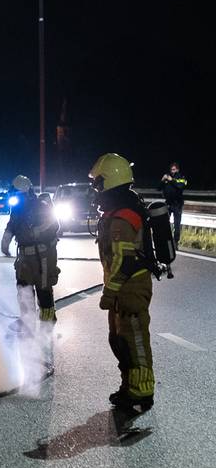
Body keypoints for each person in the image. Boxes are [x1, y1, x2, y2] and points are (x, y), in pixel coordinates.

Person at [90, 153, 154, 412]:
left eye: (98, 184)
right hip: (121, 289)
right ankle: (129, 386)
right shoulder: (115, 213)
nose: (95, 190)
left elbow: (123, 260)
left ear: (110, 182)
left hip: (131, 289)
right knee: (118, 340)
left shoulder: (122, 218)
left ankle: (142, 391)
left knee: (134, 340)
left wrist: (109, 292)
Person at [0, 175, 60, 373]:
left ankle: (46, 332)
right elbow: (12, 225)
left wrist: (36, 231)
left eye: (16, 193)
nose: (13, 197)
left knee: (44, 295)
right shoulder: (17, 210)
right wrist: (6, 239)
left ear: (25, 192)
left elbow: (54, 224)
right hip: (25, 259)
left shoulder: (40, 206)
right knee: (24, 293)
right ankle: (27, 328)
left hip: (41, 258)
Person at [160, 162, 187, 245]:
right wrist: (162, 180)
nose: (172, 171)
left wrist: (172, 180)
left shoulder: (182, 177)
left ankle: (175, 242)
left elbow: (181, 186)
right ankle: (165, 240)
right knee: (165, 223)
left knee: (176, 224)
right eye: (171, 169)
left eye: (174, 169)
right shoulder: (167, 178)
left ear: (177, 170)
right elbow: (158, 188)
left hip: (177, 204)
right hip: (168, 204)